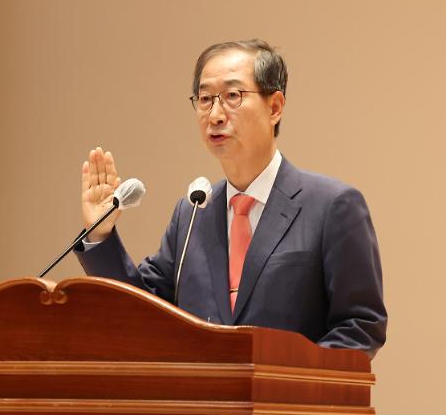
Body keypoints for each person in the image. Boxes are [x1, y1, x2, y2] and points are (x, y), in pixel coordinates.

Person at [74, 39, 387, 358]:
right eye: (205, 99)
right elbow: (140, 315)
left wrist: (287, 377)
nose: (215, 115)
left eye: (233, 96)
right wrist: (101, 234)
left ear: (275, 107)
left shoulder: (332, 206)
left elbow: (360, 327)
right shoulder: (193, 214)